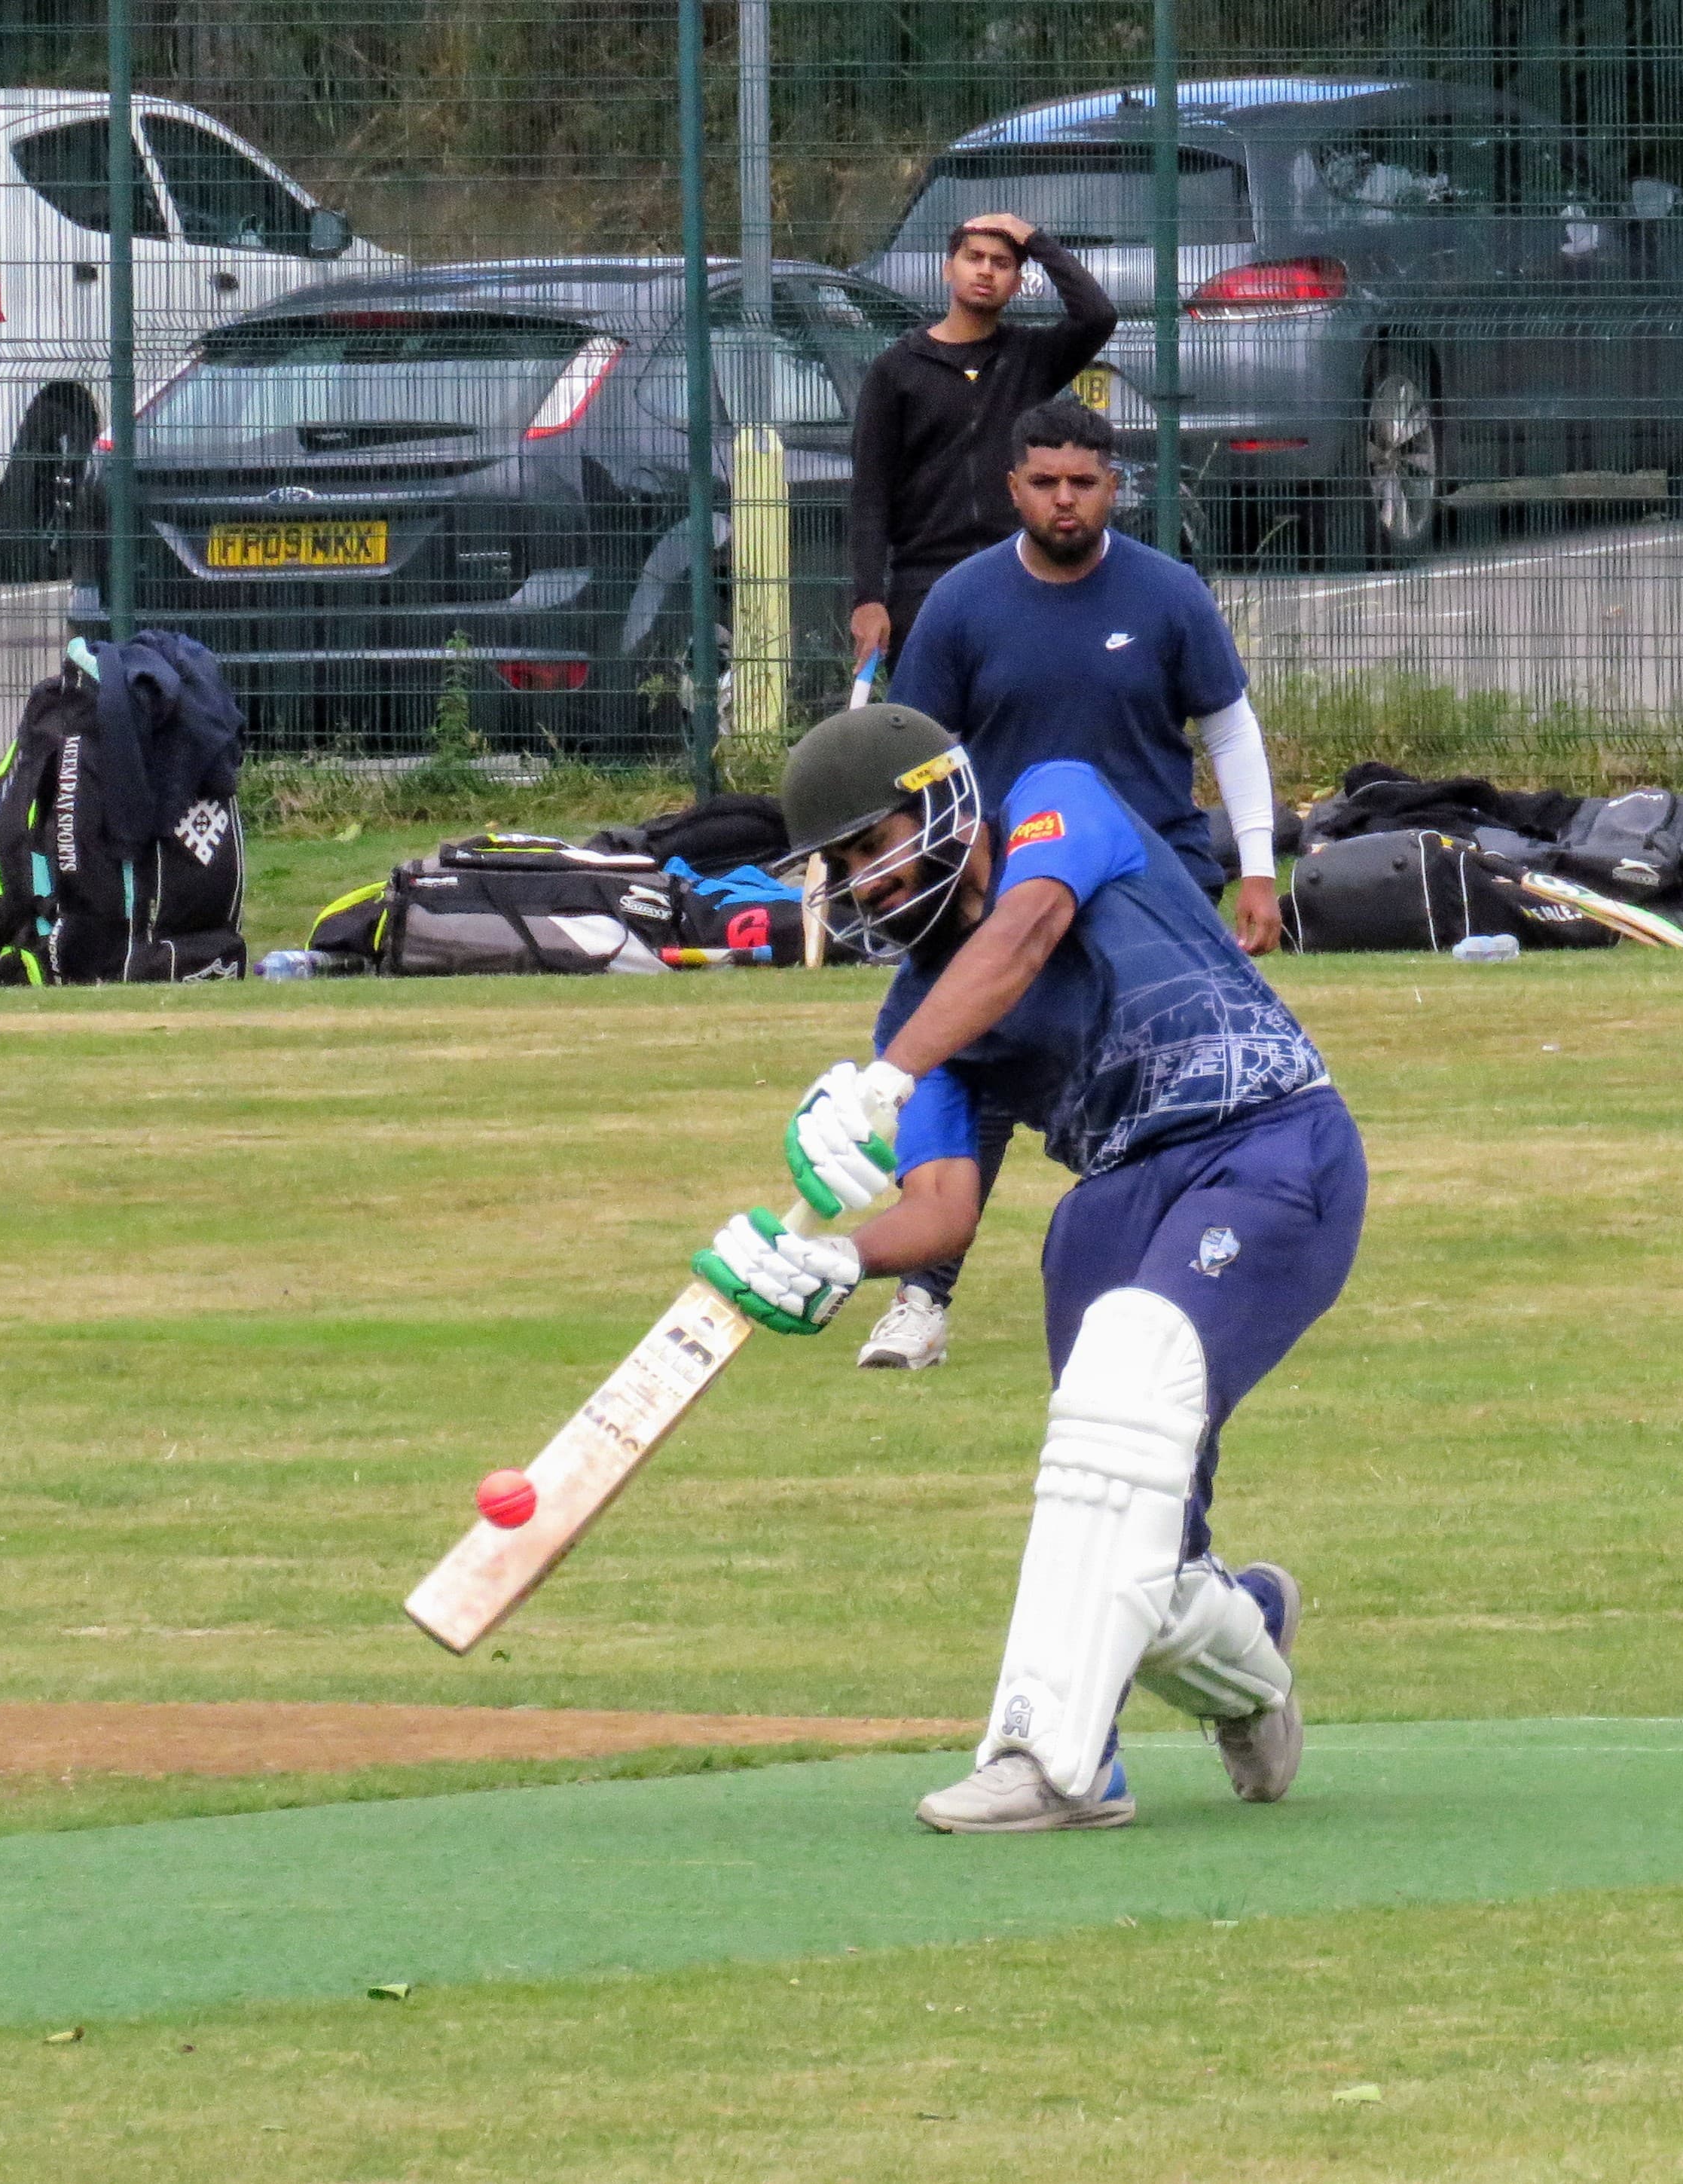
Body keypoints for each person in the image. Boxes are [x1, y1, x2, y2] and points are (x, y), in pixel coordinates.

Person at [692, 701, 1364, 1833]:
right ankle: (1250, 1641)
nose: (862, 884)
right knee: (1139, 1533)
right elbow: (943, 1209)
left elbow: (1025, 936)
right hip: (1113, 1199)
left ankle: (1054, 1758)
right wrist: (825, 1256)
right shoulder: (919, 1008)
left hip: (1267, 1136)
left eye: (872, 846)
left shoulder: (1059, 797)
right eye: (841, 868)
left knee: (1124, 1383)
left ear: (942, 798)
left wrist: (883, 1077)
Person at [848, 398, 1284, 1373]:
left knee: (1179, 1082)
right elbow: (916, 760)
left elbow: (1230, 728)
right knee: (975, 1067)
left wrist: (1256, 866)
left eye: (1082, 482)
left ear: (1112, 487)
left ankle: (1194, 1277)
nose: (1063, 500)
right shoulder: (961, 603)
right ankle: (922, 1299)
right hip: (1007, 896)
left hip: (1149, 890)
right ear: (1013, 488)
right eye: (1043, 482)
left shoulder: (1167, 594)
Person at [848, 214, 1116, 677]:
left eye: (1003, 263)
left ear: (1017, 283)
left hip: (1020, 574)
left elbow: (1097, 316)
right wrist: (869, 599)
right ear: (947, 268)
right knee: (936, 743)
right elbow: (870, 492)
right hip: (925, 586)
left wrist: (1034, 239)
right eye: (974, 258)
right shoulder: (895, 370)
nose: (987, 271)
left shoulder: (1032, 358)